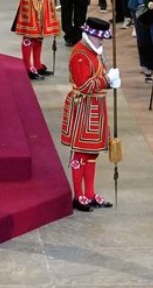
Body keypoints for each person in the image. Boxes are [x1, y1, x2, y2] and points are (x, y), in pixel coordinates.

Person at [61, 17, 120, 212]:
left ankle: (91, 193)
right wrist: (107, 80)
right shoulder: (80, 55)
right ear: (91, 35)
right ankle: (78, 195)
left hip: (96, 107)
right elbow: (85, 86)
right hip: (84, 108)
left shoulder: (94, 53)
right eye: (100, 39)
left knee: (92, 153)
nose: (101, 42)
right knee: (80, 152)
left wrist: (109, 82)